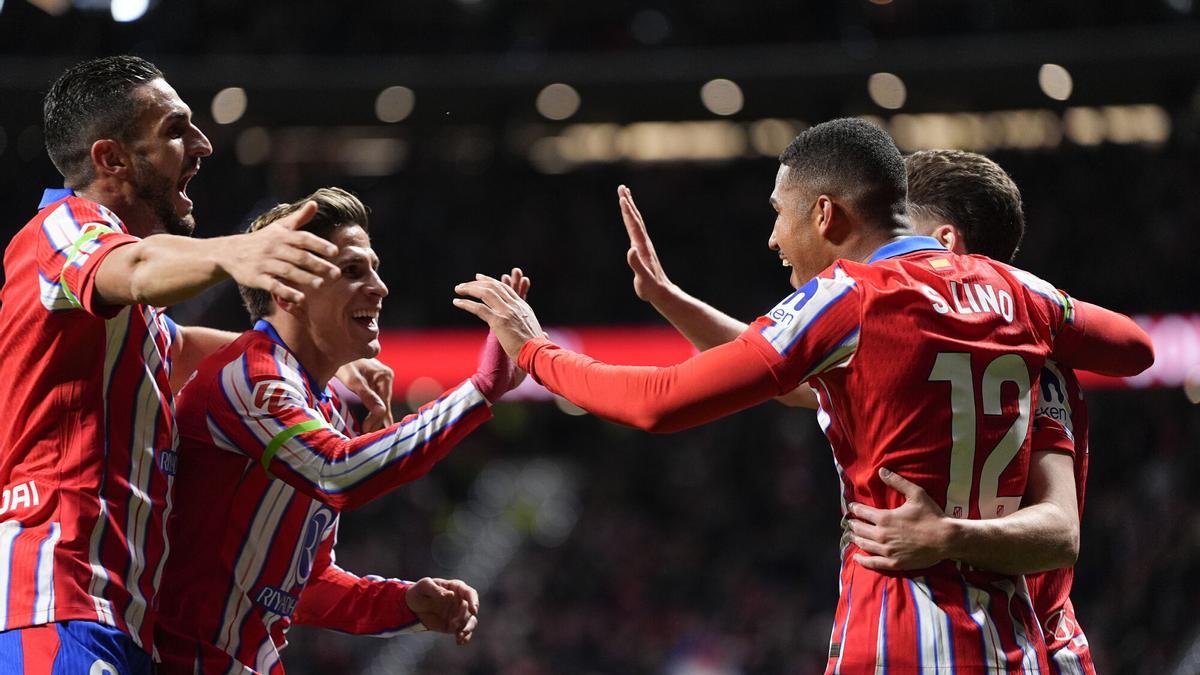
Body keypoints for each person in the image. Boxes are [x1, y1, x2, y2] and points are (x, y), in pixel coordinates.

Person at [453, 119, 1153, 672]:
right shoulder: (1018, 295)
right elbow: (1134, 347)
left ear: (824, 213)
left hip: (904, 636)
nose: (771, 236)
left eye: (778, 213)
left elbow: (658, 401)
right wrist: (674, 301)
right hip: (1021, 644)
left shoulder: (848, 297)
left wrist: (533, 350)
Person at [615, 147, 1097, 674]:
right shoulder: (925, 342)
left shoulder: (1032, 361)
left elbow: (1059, 533)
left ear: (944, 243)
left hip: (1027, 644)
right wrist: (670, 299)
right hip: (950, 638)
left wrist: (945, 536)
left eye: (902, 227)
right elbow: (781, 374)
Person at [0, 56, 388, 673]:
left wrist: (318, 364)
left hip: (119, 611)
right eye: (177, 129)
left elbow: (176, 345)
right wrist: (237, 252)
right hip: (58, 592)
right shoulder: (63, 228)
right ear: (111, 160)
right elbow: (137, 268)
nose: (203, 144)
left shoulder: (127, 313)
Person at [154, 188, 527, 674]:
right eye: (353, 271)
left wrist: (403, 604)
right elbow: (339, 471)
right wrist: (478, 391)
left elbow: (303, 585)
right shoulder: (250, 378)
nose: (379, 287)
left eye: (374, 268)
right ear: (289, 289)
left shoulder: (324, 410)